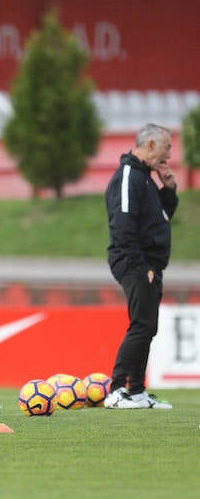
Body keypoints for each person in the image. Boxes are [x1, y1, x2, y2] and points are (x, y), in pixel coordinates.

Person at [103, 123, 176, 409]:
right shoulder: (128, 176)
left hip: (149, 264)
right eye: (166, 148)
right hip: (134, 262)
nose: (168, 155)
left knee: (147, 326)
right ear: (149, 145)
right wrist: (140, 265)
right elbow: (122, 227)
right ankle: (117, 390)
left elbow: (158, 220)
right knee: (141, 324)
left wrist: (168, 191)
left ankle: (136, 391)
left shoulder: (145, 178)